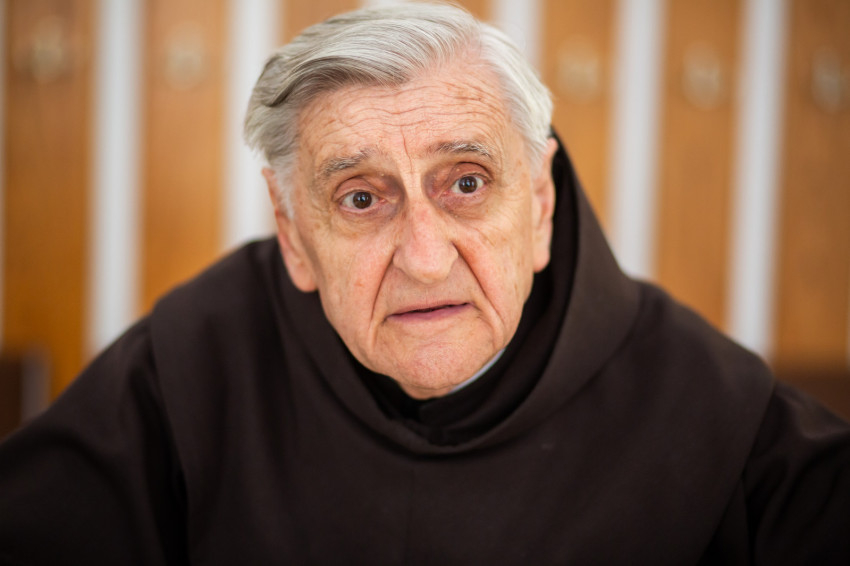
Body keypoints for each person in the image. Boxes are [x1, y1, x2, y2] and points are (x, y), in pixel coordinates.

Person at [1, 3, 848, 564]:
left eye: (467, 183)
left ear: (541, 203)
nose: (425, 258)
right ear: (293, 234)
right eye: (361, 198)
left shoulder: (717, 413)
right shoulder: (191, 364)